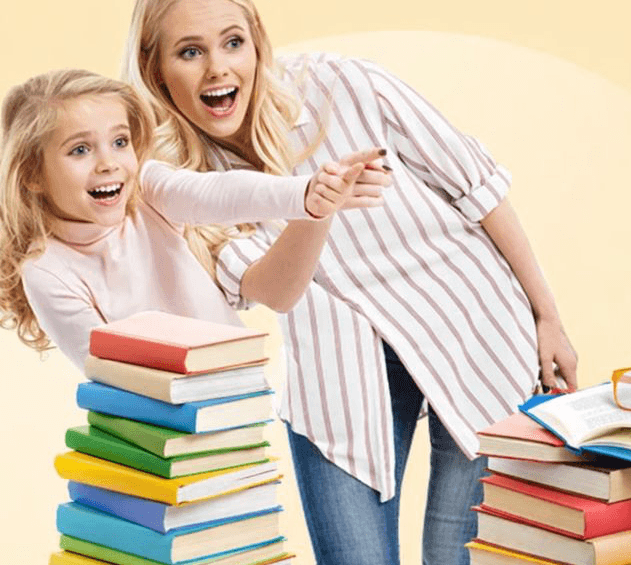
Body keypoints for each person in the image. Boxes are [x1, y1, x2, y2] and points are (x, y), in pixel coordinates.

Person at [122, 0, 579, 565]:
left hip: (476, 328)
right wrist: (315, 207)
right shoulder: (176, 184)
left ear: (257, 42)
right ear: (156, 68)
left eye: (232, 42)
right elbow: (270, 291)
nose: (219, 68)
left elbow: (478, 187)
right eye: (190, 52)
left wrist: (549, 316)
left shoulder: (343, 84)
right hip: (339, 369)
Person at [0, 68, 388, 371]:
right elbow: (108, 369)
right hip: (157, 434)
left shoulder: (147, 192)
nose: (109, 164)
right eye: (80, 150)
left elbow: (218, 193)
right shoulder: (46, 269)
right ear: (33, 173)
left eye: (120, 142)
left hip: (236, 402)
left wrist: (305, 194)